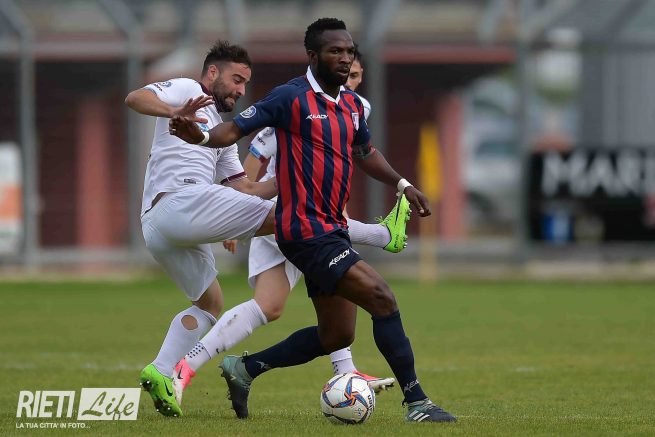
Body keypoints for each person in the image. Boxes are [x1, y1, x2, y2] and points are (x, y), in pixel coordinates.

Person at [169, 18, 456, 423]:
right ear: (312, 56)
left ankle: (245, 368)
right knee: (382, 298)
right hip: (305, 231)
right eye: (335, 51)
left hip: (332, 229)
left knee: (336, 335)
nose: (344, 58)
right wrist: (198, 136)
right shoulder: (290, 97)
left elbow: (366, 152)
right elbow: (233, 130)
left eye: (349, 52)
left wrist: (403, 184)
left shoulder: (351, 105)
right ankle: (417, 403)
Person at [127, 40, 409, 418]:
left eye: (246, 83)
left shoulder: (221, 137)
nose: (241, 90)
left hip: (159, 228)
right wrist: (174, 111)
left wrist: (292, 175)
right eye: (237, 80)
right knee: (298, 219)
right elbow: (135, 98)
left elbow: (245, 188)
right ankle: (382, 236)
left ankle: (161, 371)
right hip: (180, 202)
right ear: (213, 72)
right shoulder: (187, 89)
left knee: (210, 304)